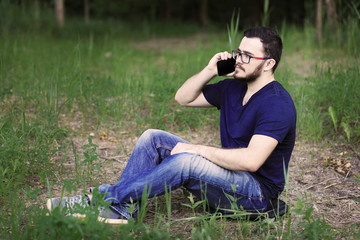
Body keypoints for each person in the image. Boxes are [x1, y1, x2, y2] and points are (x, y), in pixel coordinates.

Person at [47, 26, 296, 221]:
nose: (238, 59)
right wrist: (210, 70)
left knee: (187, 160)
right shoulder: (233, 87)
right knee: (153, 137)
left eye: (247, 56)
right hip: (230, 176)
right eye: (237, 52)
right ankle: (123, 209)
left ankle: (103, 199)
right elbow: (183, 98)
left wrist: (196, 149)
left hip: (255, 194)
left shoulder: (277, 104)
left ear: (269, 63)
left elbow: (252, 161)